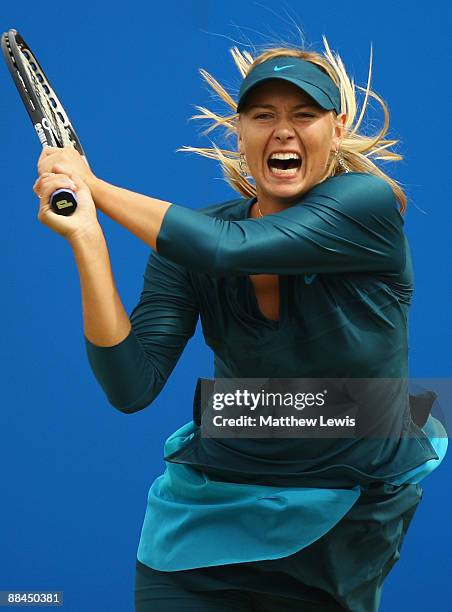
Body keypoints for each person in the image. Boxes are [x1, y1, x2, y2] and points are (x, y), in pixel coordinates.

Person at [33, 37, 447, 612]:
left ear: (338, 127)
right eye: (262, 116)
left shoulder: (367, 206)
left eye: (304, 114)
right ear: (239, 130)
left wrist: (93, 187)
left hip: (342, 523)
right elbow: (131, 386)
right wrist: (87, 237)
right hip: (205, 527)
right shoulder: (188, 243)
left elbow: (230, 249)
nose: (283, 130)